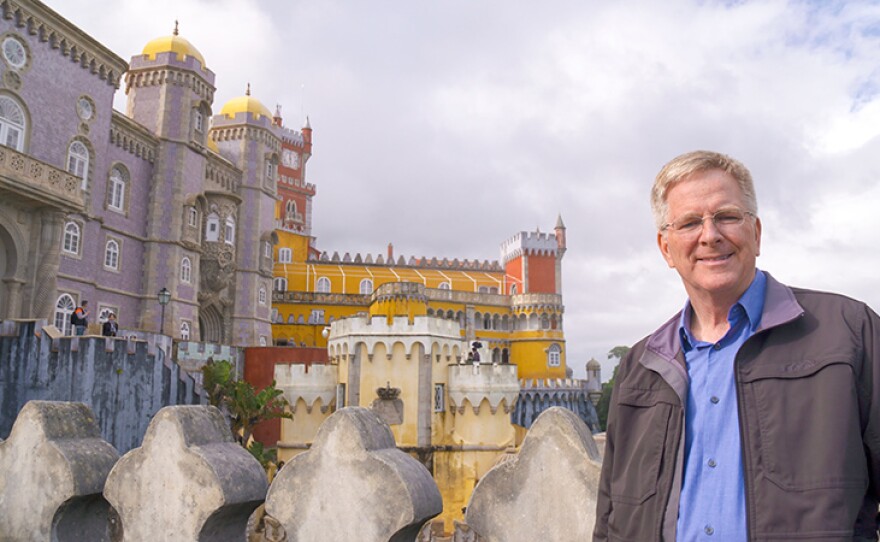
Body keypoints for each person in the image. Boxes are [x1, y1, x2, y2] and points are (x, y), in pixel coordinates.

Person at [594, 151, 880, 540]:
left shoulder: (849, 333)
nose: (710, 235)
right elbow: (611, 519)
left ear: (756, 233)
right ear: (666, 248)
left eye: (727, 216)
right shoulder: (639, 368)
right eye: (690, 222)